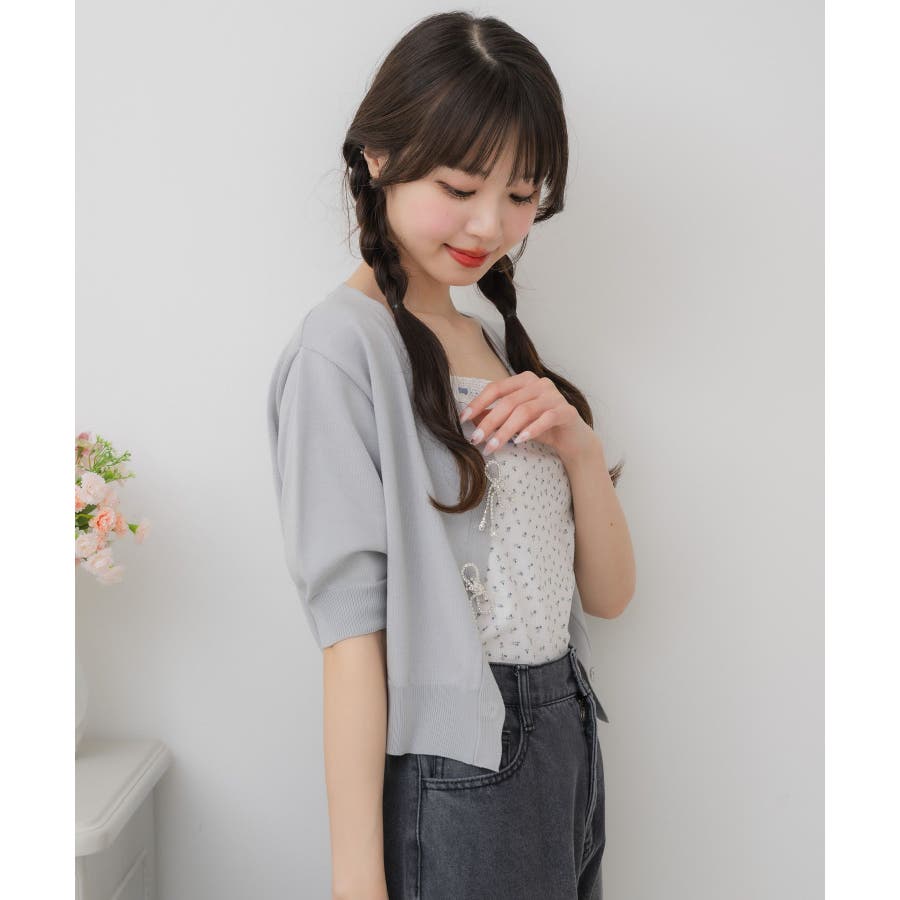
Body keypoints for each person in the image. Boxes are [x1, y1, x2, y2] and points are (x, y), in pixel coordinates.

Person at [267, 11, 636, 899]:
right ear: (378, 158)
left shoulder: (493, 339)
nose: (490, 223)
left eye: (521, 194)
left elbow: (610, 597)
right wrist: (357, 881)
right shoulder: (340, 349)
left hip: (567, 734)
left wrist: (581, 450)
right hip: (464, 768)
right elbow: (351, 639)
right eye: (460, 185)